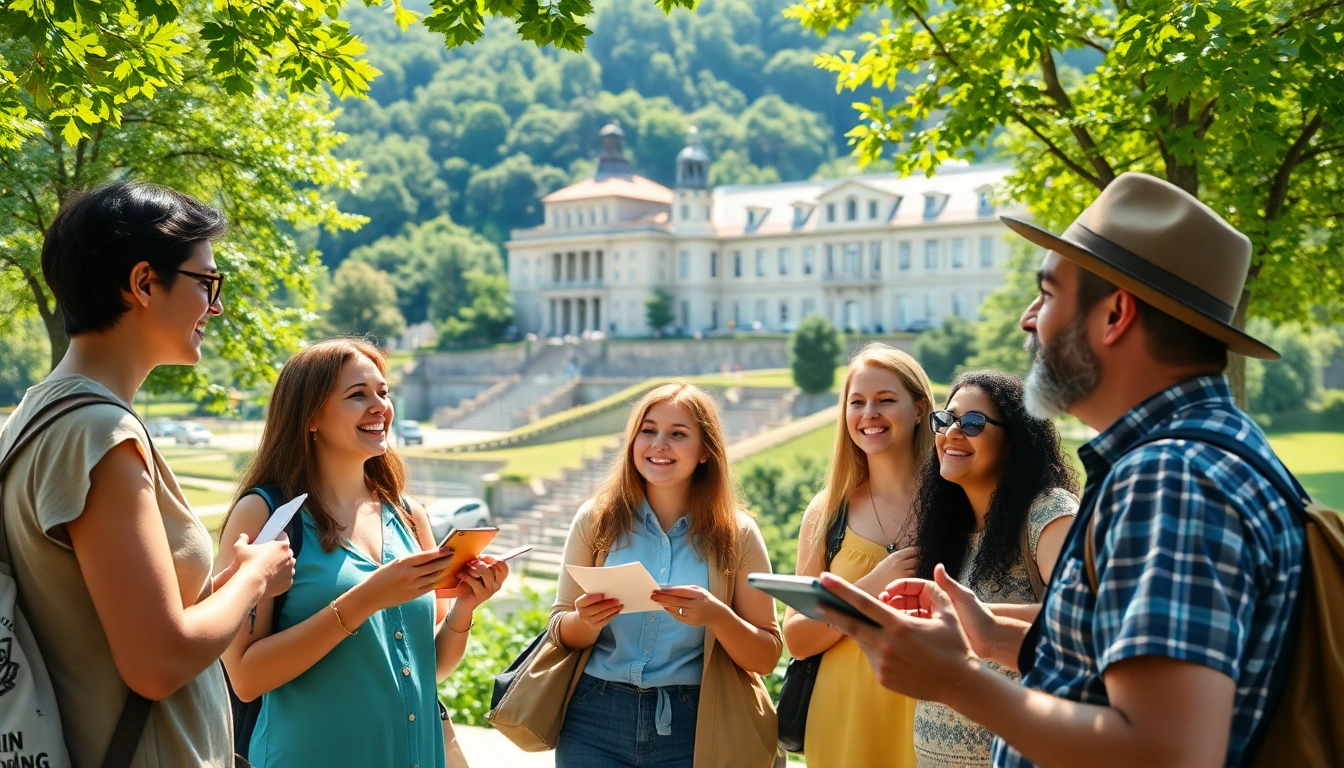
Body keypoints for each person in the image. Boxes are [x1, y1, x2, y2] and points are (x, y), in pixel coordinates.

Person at [816, 172, 1305, 768]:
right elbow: (1115, 669)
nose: (1028, 319)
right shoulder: (1210, 452)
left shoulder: (1170, 478)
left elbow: (1166, 752)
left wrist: (954, 680)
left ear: (1115, 314)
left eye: (1047, 295)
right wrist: (988, 634)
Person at [0, 181, 295, 766]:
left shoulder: (37, 414)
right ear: (142, 283)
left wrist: (221, 588)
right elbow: (157, 662)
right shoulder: (98, 435)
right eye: (206, 283)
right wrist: (252, 580)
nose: (216, 306)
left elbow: (101, 623)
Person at [218, 339, 509, 766]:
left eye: (383, 393)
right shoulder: (264, 515)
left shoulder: (410, 515)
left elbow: (431, 668)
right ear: (311, 417)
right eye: (358, 395)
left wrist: (464, 609)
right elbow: (244, 677)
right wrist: (367, 597)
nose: (380, 407)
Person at [551, 383, 782, 768]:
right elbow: (559, 629)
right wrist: (585, 621)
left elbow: (766, 656)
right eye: (648, 430)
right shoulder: (596, 520)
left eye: (678, 434)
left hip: (694, 724)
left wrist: (716, 616)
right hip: (593, 718)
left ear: (706, 451)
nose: (659, 443)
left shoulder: (737, 535)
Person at [910, 370, 1078, 767]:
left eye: (972, 423)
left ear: (1015, 441)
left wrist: (979, 617)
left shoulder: (1049, 513)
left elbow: (1085, 620)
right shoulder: (949, 531)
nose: (953, 432)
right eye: (946, 419)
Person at [782, 343, 934, 768]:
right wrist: (869, 587)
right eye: (857, 402)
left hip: (935, 713)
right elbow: (796, 638)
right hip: (843, 714)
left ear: (920, 408)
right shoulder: (828, 511)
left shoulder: (958, 504)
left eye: (886, 400)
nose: (870, 413)